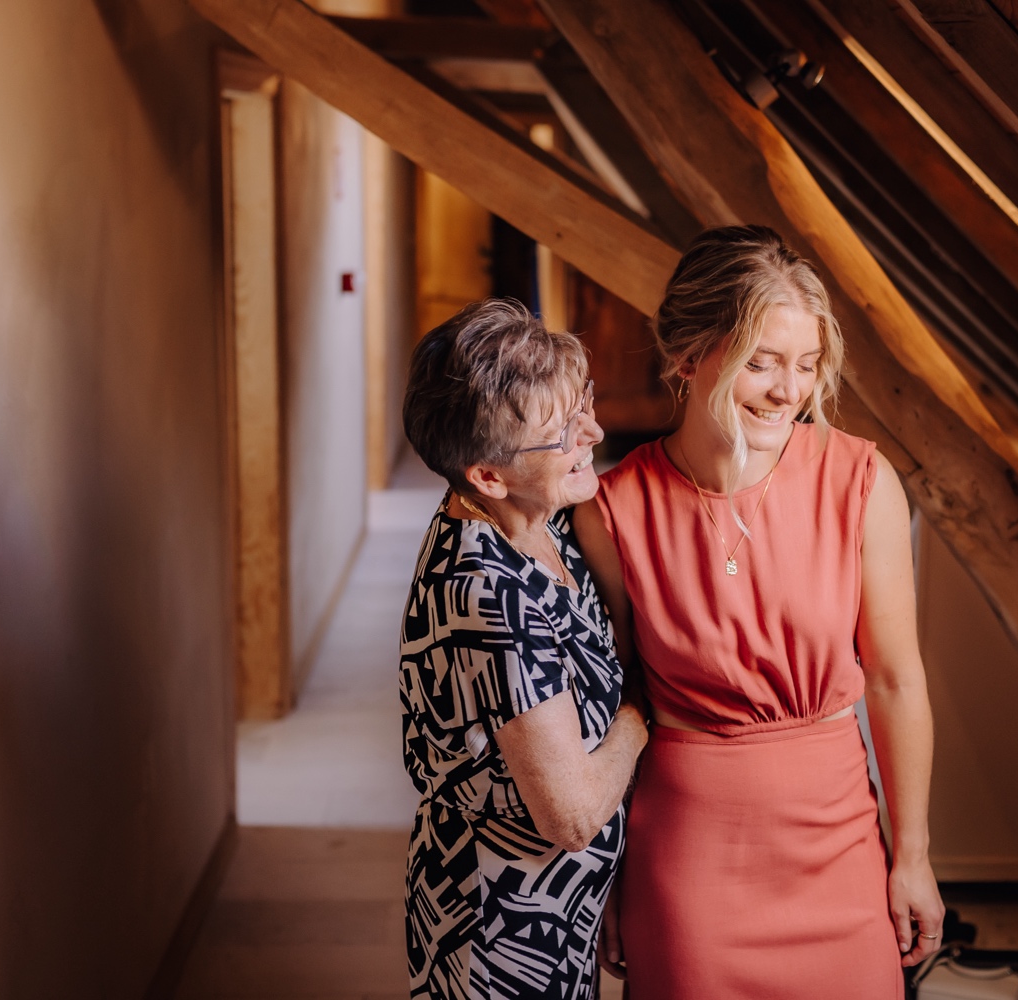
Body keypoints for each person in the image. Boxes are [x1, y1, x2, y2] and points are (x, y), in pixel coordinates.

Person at [574, 225, 944, 999]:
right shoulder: (612, 512)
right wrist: (604, 876)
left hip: (839, 850)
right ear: (689, 357)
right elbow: (608, 705)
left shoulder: (862, 483)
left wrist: (911, 856)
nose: (789, 390)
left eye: (806, 365)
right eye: (762, 362)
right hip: (689, 864)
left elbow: (897, 684)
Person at [398, 298, 647, 1000]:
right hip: (502, 933)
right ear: (487, 474)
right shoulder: (487, 597)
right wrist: (640, 716)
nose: (593, 432)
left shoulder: (533, 518)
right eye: (565, 432)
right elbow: (569, 815)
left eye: (584, 406)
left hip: (551, 912)